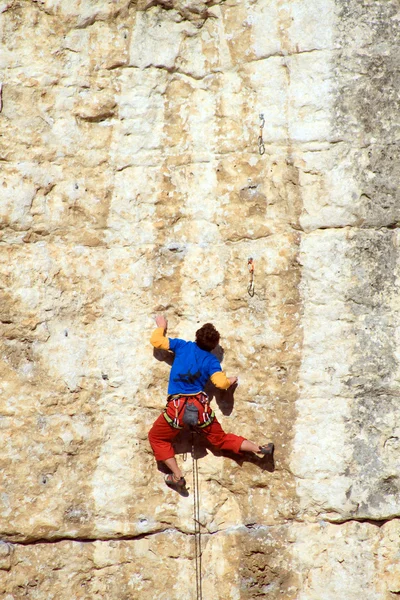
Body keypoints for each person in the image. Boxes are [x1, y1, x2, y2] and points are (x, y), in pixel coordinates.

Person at [148, 315, 274, 489]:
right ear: (214, 346)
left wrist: (161, 326)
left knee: (157, 437)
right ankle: (259, 448)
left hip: (176, 410)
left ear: (196, 336)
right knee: (220, 440)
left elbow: (156, 341)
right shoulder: (211, 361)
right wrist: (230, 380)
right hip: (200, 409)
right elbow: (220, 383)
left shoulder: (182, 346)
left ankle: (177, 476)